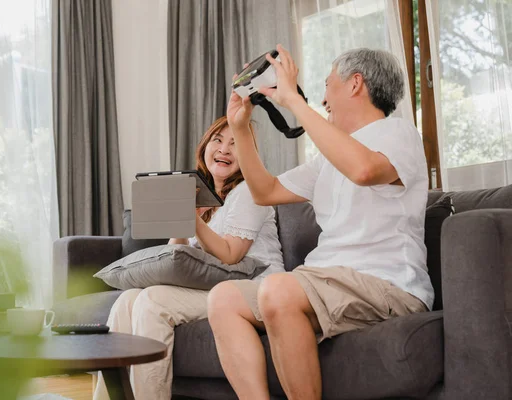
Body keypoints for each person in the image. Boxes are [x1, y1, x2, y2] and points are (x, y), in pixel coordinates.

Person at [207, 45, 434, 400]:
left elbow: (364, 170)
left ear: (355, 84)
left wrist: (295, 103)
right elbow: (265, 191)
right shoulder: (326, 158)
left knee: (278, 290)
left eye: (328, 85)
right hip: (325, 280)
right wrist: (240, 130)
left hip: (386, 282)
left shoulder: (397, 133)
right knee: (224, 299)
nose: (323, 98)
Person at [93, 115, 284, 400]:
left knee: (152, 301)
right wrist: (182, 219)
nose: (224, 149)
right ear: (204, 147)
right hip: (216, 286)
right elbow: (178, 256)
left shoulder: (249, 193)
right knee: (126, 301)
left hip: (254, 289)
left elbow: (232, 255)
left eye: (235, 143)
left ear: (247, 155)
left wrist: (193, 222)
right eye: (217, 140)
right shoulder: (207, 202)